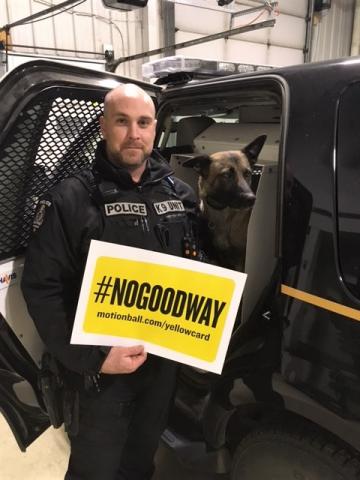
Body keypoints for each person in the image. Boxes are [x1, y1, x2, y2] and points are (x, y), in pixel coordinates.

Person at [21, 83, 201, 480]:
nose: (134, 133)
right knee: (94, 471)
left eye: (143, 122)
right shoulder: (71, 199)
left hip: (161, 367)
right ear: (104, 126)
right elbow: (41, 288)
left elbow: (197, 269)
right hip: (100, 376)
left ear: (155, 129)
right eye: (122, 121)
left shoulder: (181, 195)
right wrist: (96, 358)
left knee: (140, 463)